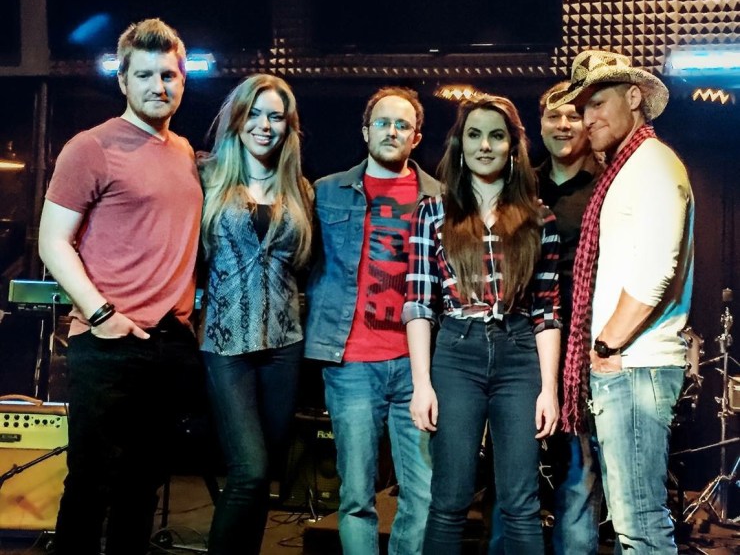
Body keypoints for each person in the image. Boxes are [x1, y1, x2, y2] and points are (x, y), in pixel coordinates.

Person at [38, 19, 202, 555]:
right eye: (146, 75)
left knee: (142, 487)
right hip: (107, 341)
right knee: (91, 484)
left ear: (183, 80)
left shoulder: (184, 153)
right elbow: (52, 242)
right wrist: (103, 315)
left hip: (169, 341)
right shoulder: (91, 147)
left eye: (169, 75)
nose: (159, 85)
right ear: (123, 80)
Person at [548, 49, 694, 553]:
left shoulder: (652, 165)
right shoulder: (628, 167)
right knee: (632, 522)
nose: (587, 118)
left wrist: (605, 346)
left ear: (633, 97)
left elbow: (656, 272)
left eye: (597, 103)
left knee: (639, 525)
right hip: (629, 367)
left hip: (634, 367)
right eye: (581, 108)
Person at [404, 95, 561, 555]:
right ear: (460, 144)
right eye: (474, 135)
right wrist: (421, 384)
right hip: (457, 351)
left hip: (519, 354)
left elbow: (547, 311)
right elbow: (419, 303)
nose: (485, 145)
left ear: (513, 146)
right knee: (449, 500)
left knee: (521, 503)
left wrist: (549, 389)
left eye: (496, 136)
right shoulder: (433, 212)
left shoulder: (539, 217)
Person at [304, 87, 439, 555]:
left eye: (403, 125)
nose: (391, 131)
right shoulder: (326, 191)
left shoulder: (438, 197)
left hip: (416, 368)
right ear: (365, 131)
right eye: (382, 122)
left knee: (422, 496)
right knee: (357, 496)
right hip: (351, 364)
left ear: (416, 137)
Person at [198, 74, 313, 555]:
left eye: (276, 117)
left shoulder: (301, 189)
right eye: (256, 114)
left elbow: (308, 268)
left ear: (288, 127)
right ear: (238, 118)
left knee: (265, 476)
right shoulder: (205, 177)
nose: (265, 125)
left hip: (284, 345)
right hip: (226, 345)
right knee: (248, 470)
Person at [537, 81, 604, 555]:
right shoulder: (520, 184)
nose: (563, 125)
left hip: (585, 345)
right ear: (539, 125)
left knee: (579, 475)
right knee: (511, 477)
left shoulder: (607, 184)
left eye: (573, 115)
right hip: (527, 342)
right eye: (553, 116)